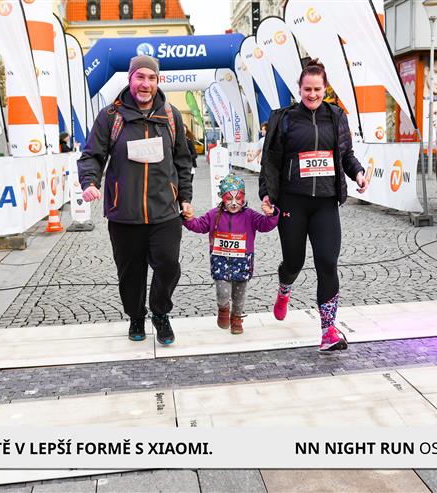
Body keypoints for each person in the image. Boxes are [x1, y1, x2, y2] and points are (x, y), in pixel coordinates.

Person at [77, 55, 193, 346]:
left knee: (168, 266)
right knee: (130, 273)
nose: (145, 84)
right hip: (124, 212)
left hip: (165, 210)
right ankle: (136, 316)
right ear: (130, 79)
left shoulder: (171, 116)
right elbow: (92, 155)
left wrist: (186, 198)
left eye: (151, 78)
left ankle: (160, 313)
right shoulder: (110, 117)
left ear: (158, 81)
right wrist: (89, 182)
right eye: (140, 77)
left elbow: (182, 160)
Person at [259, 59, 369, 352]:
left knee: (327, 262)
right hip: (292, 202)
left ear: (325, 89)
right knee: (293, 262)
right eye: (307, 89)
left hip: (325, 203)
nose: (312, 94)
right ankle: (285, 287)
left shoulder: (336, 117)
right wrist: (266, 194)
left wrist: (358, 173)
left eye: (317, 89)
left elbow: (346, 154)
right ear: (299, 89)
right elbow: (270, 161)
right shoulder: (284, 119)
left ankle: (328, 330)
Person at [183, 174, 278, 334]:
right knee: (222, 292)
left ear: (244, 197)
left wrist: (271, 214)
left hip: (243, 261)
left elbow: (265, 225)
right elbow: (199, 226)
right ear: (221, 197)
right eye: (229, 198)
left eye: (238, 198)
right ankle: (223, 309)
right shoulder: (214, 214)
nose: (234, 203)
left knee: (239, 295)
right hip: (220, 260)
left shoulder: (250, 215)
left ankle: (236, 318)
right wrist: (189, 219)